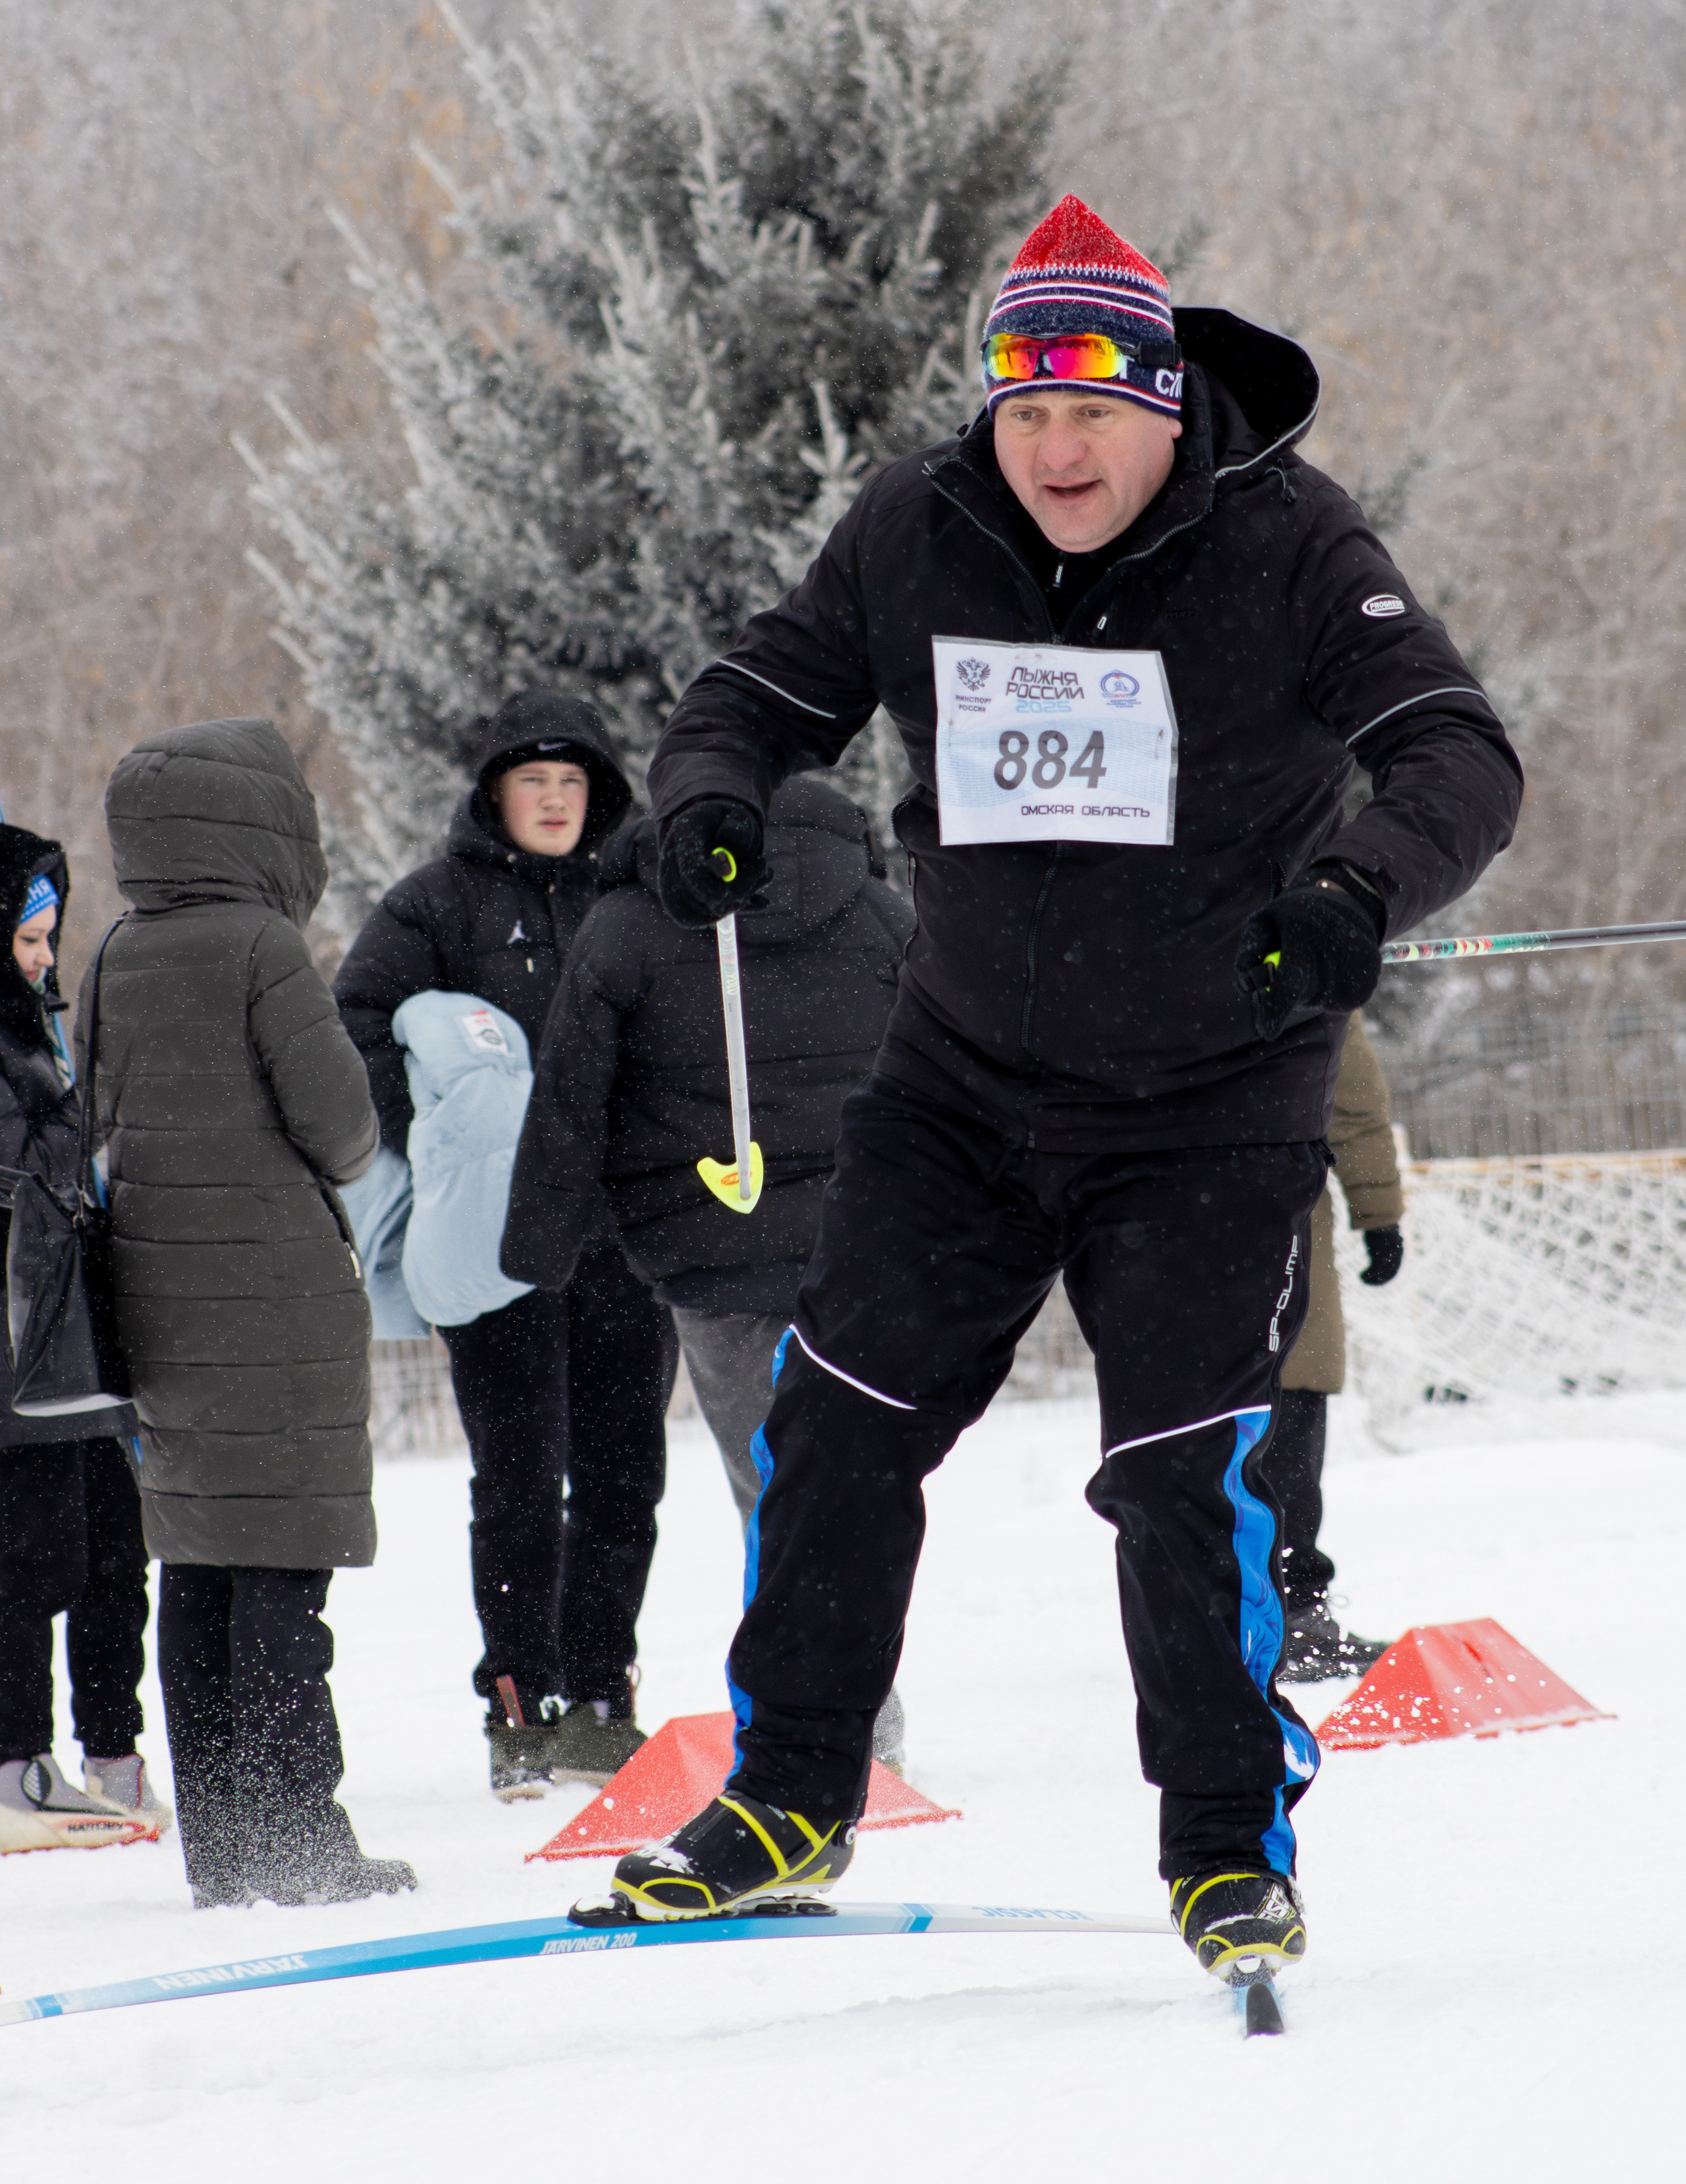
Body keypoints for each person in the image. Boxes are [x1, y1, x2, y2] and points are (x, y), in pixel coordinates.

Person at [601, 194, 1522, 1981]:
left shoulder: (1291, 543)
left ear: (1168, 407)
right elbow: (757, 686)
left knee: (1181, 1482)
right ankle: (790, 1794)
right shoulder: (918, 524)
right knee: (839, 1429)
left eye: (1094, 408)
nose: (1057, 446)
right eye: (1024, 409)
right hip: (958, 1091)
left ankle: (1222, 1849)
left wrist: (1353, 894)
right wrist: (709, 790)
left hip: (1204, 1101)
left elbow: (1457, 753)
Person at [503, 774, 907, 1760]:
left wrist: (541, 1246)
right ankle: (866, 1717)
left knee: (764, 1481)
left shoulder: (632, 923)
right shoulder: (879, 912)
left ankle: (813, 1730)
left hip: (710, 1246)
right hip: (867, 1242)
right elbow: (953, 1060)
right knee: (855, 1477)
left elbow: (570, 1089)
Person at [87, 719, 412, 1907]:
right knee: (280, 1570)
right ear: (268, 825)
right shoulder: (266, 947)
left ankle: (224, 1849)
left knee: (201, 1567)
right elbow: (344, 1130)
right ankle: (302, 1840)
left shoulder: (117, 950)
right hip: (272, 1307)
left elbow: (97, 1125)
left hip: (160, 1302)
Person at [335, 691, 676, 1799]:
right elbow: (355, 1025)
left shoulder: (638, 895)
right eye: (533, 783)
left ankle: (600, 1697)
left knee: (625, 1475)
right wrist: (430, 1134)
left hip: (622, 1236)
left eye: (573, 783)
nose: (554, 801)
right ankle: (517, 1700)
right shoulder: (434, 904)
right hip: (495, 1247)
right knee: (521, 1479)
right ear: (494, 795)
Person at [0, 816, 165, 1850]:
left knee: (115, 1554)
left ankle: (115, 1756)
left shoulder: (39, 1033)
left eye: (50, 937)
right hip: (22, 1359)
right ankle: (18, 1769)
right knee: (25, 1562)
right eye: (28, 940)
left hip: (79, 1349)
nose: (46, 958)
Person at [1272, 1009, 1405, 1682]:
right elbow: (1350, 1098)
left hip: (1152, 1224)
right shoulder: (1302, 935)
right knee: (1289, 1420)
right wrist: (1377, 1212)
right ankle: (1295, 1612)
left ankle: (1196, 1618)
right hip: (1280, 1213)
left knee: (1179, 1443)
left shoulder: (1124, 941)